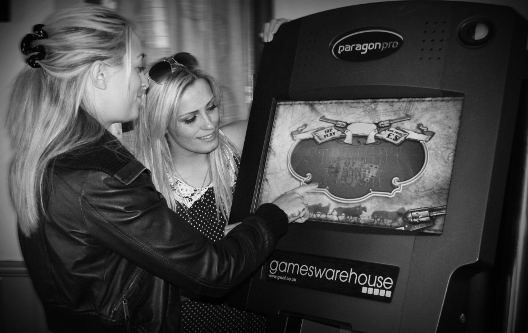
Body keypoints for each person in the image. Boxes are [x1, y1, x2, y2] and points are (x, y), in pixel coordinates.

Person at [6, 5, 316, 333]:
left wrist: (285, 48)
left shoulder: (59, 157)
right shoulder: (99, 175)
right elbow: (213, 272)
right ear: (100, 74)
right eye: (139, 67)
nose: (144, 81)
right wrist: (272, 215)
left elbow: (287, 112)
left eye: (211, 107)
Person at [133, 53, 260, 332]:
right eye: (190, 118)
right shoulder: (143, 183)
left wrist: (283, 45)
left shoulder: (238, 143)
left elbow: (294, 112)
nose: (209, 123)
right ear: (161, 123)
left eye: (211, 107)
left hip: (255, 316)